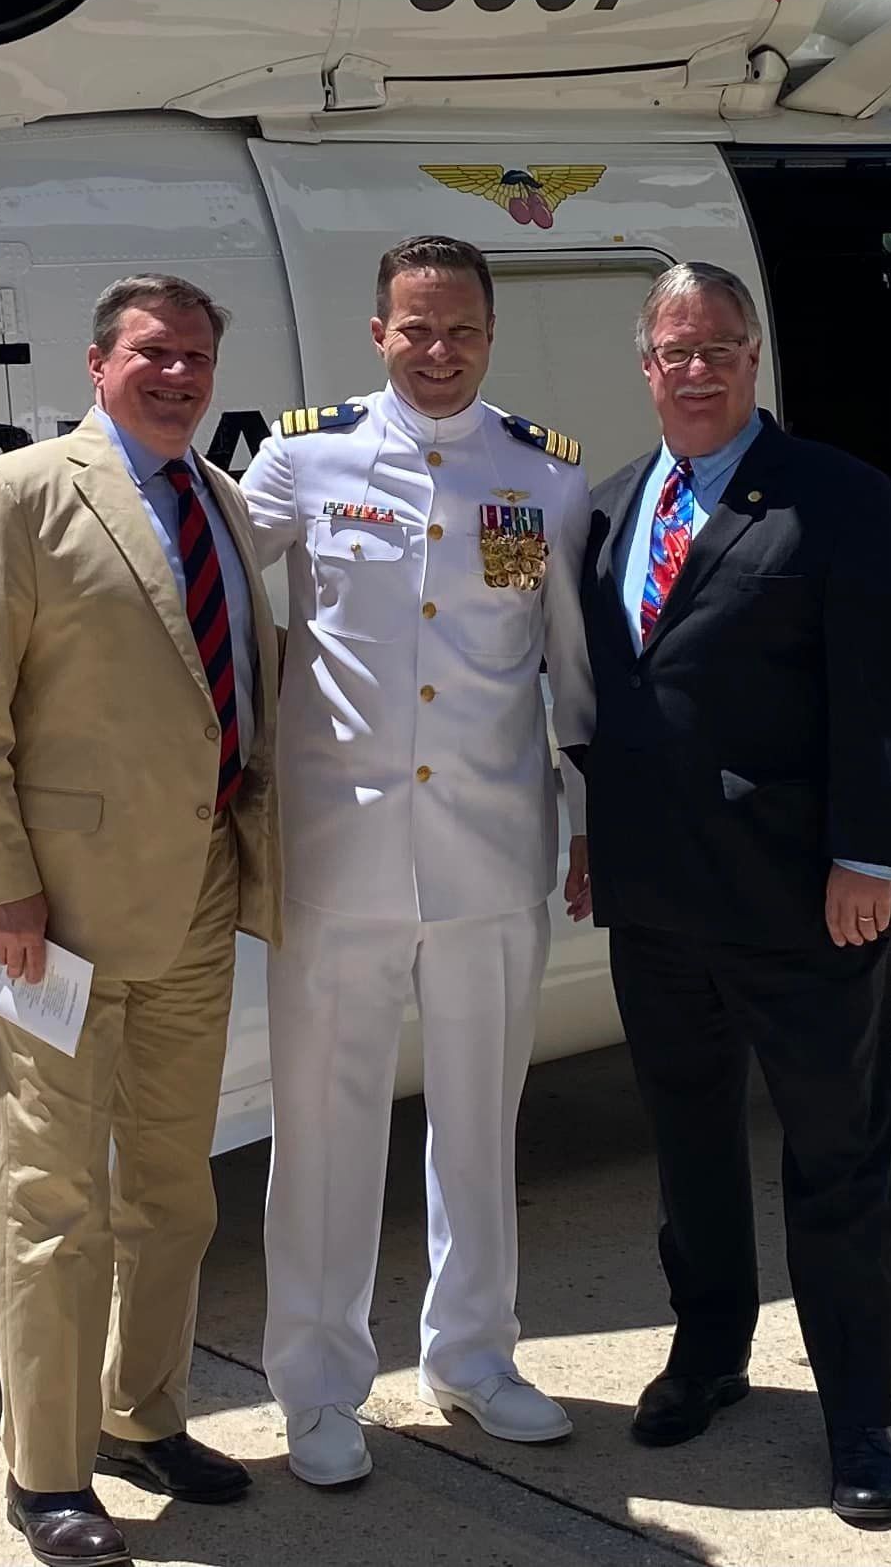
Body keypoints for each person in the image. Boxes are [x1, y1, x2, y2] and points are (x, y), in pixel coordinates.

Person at [0, 274, 282, 1567]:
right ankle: (47, 1473)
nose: (177, 373)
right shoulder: (17, 495)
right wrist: (0, 883)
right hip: (49, 922)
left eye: (195, 355)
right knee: (51, 1202)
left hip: (196, 906)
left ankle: (145, 1413)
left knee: (175, 1193)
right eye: (152, 353)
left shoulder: (221, 501)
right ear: (98, 363)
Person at [573, 260, 891, 1527]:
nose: (694, 367)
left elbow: (886, 693)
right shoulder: (612, 508)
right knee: (687, 1143)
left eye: (716, 346)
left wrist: (868, 858)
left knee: (835, 1158)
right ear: (645, 362)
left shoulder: (837, 499)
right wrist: (587, 836)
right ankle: (709, 1353)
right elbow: (604, 704)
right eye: (672, 348)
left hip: (797, 895)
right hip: (655, 900)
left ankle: (858, 1418)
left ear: (752, 354)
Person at [241, 236, 593, 1489]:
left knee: (478, 1124)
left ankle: (475, 1354)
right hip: (338, 855)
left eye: (462, 331)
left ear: (490, 336)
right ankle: (319, 1382)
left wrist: (589, 814)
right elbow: (215, 605)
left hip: (492, 853)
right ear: (377, 331)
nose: (437, 352)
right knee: (324, 1129)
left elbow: (570, 669)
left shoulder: (541, 477)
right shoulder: (301, 458)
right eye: (415, 328)